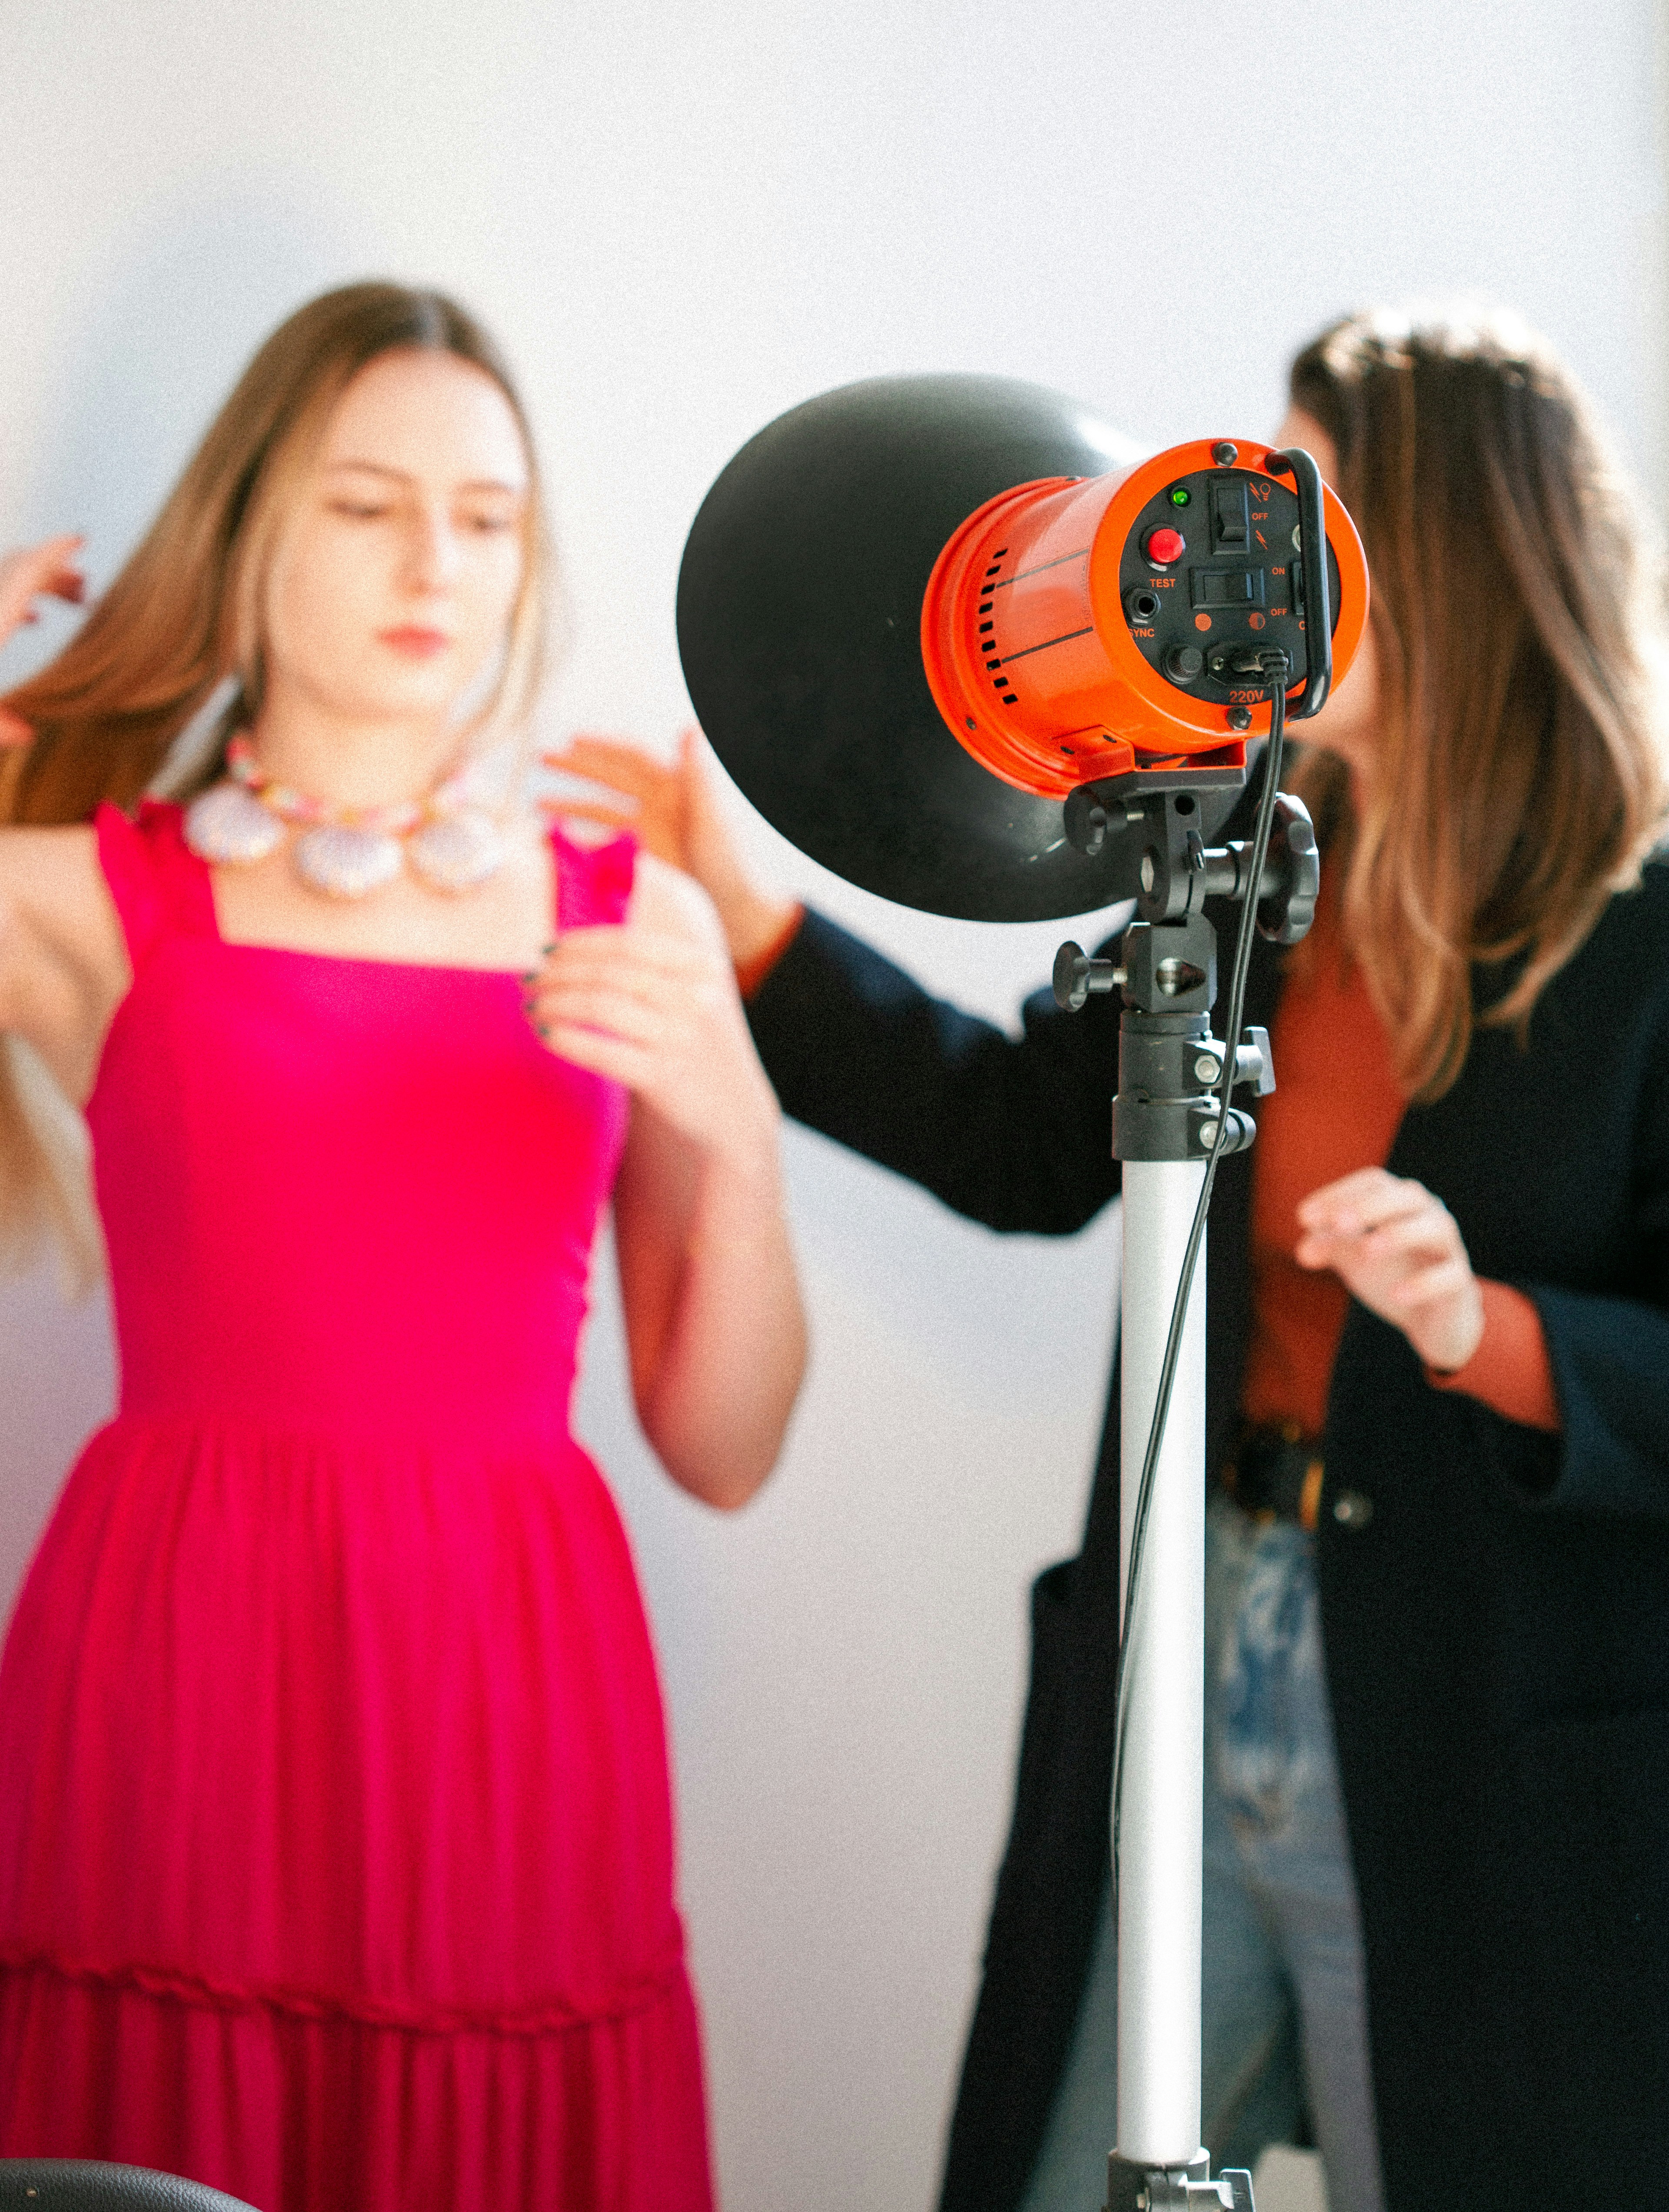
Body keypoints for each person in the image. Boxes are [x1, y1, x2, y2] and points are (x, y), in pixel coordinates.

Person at [555, 307, 1669, 2212]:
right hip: (1181, 1636)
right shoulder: (1245, 851)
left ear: (1460, 554)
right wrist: (756, 934)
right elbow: (1022, 1144)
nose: (1250, 551)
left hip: (1473, 1714)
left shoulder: (1638, 939)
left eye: (1309, 498)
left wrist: (1487, 1332)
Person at [0, 282, 807, 2212]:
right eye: (368, 507)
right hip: (180, 1655)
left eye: (486, 514)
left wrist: (746, 1128)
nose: (434, 561)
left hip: (507, 1672)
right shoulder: (84, 895)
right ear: (252, 526)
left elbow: (724, 1445)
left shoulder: (641, 914)